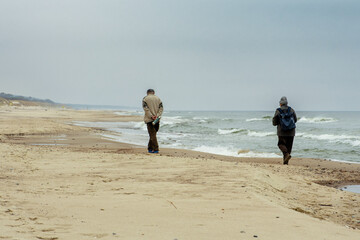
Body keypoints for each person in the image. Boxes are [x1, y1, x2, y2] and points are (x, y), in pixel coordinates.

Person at [272, 96, 297, 165]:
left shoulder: (278, 110)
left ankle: (286, 156)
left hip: (282, 131)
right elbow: (295, 120)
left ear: (280, 104)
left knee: (281, 144)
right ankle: (286, 162)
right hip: (291, 131)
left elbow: (274, 122)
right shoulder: (291, 110)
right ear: (287, 103)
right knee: (289, 147)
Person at [142, 89, 163, 153]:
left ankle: (156, 149)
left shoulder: (145, 99)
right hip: (157, 119)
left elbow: (146, 109)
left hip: (149, 119)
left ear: (147, 93)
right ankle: (150, 148)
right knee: (153, 134)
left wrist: (151, 116)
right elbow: (161, 108)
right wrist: (157, 116)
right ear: (153, 92)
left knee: (152, 135)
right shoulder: (158, 99)